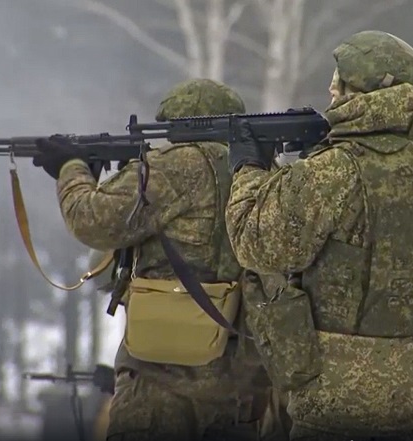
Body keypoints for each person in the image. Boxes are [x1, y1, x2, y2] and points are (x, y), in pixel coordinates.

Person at [224, 30, 413, 441]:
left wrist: (249, 169)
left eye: (340, 81)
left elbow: (256, 243)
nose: (330, 88)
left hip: (337, 408)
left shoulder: (335, 169)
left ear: (365, 94)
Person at [32, 78, 274, 441]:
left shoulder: (172, 166)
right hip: (239, 383)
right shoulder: (258, 172)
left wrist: (71, 168)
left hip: (161, 379)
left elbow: (91, 219)